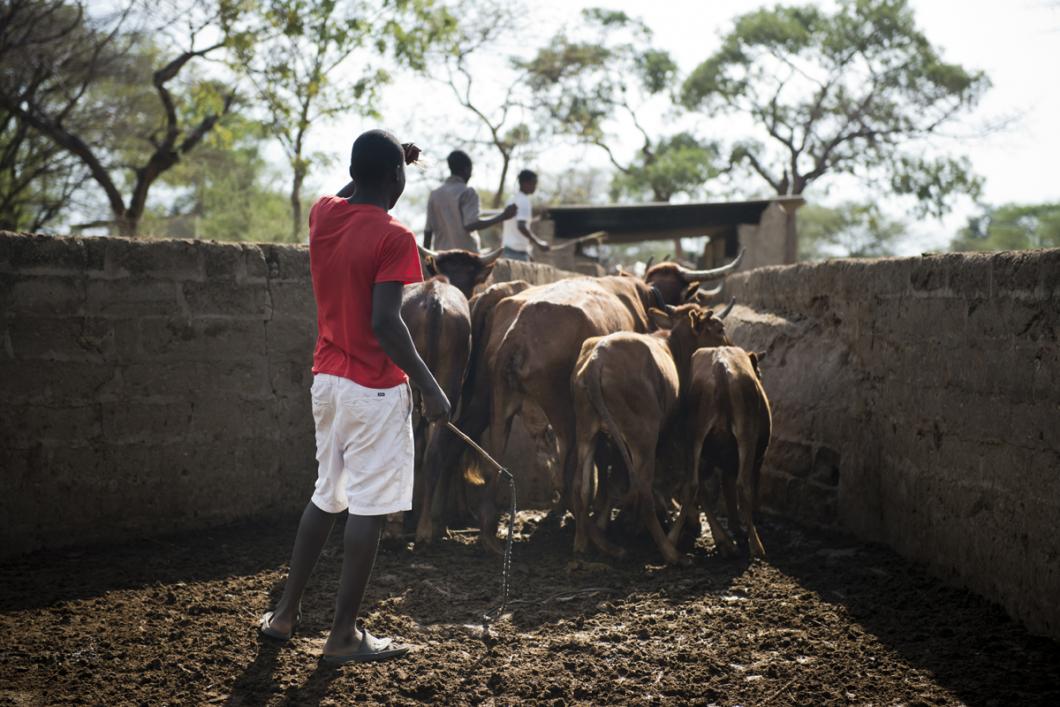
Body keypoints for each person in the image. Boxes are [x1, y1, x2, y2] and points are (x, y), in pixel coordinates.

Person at [258, 130, 451, 664]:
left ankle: (284, 614)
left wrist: (383, 163)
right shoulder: (396, 237)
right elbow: (386, 324)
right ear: (396, 176)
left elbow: (351, 194)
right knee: (367, 506)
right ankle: (343, 635)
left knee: (327, 493)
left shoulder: (324, 214)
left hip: (328, 382)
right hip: (374, 387)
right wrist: (431, 385)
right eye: (400, 172)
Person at [424, 150, 516, 251]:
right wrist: (503, 216)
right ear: (467, 169)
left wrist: (425, 260)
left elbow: (428, 231)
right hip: (466, 258)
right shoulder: (468, 192)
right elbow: (471, 224)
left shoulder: (435, 194)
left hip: (441, 257)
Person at [500, 169, 550, 262]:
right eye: (533, 183)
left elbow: (518, 222)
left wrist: (538, 219)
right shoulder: (524, 201)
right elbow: (521, 226)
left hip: (507, 249)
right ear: (524, 183)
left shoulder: (511, 199)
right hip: (516, 253)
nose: (535, 187)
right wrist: (538, 242)